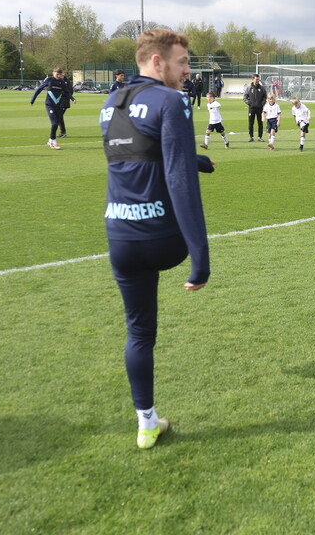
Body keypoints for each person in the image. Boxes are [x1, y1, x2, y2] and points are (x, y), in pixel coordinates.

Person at [100, 28, 212, 450]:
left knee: (139, 333)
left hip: (121, 238)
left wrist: (195, 158)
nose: (188, 71)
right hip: (164, 241)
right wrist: (200, 257)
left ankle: (146, 423)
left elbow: (138, 153)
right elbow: (178, 181)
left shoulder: (112, 101)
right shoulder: (172, 100)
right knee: (180, 205)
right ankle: (148, 422)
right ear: (158, 62)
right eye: (183, 62)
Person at [31, 67, 75, 149]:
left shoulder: (62, 82)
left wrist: (72, 99)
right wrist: (32, 99)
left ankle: (50, 140)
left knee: (56, 124)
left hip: (58, 106)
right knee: (54, 123)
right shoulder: (49, 80)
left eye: (59, 74)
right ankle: (53, 142)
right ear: (53, 73)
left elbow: (67, 92)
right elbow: (39, 89)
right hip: (49, 105)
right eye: (56, 73)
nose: (58, 75)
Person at [244, 74, 267, 142]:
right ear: (253, 79)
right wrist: (249, 103)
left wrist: (262, 104)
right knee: (251, 123)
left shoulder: (262, 88)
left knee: (260, 123)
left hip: (260, 108)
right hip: (252, 108)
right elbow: (245, 97)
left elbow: (265, 97)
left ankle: (260, 137)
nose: (257, 80)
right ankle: (251, 137)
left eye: (258, 79)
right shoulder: (249, 88)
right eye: (256, 79)